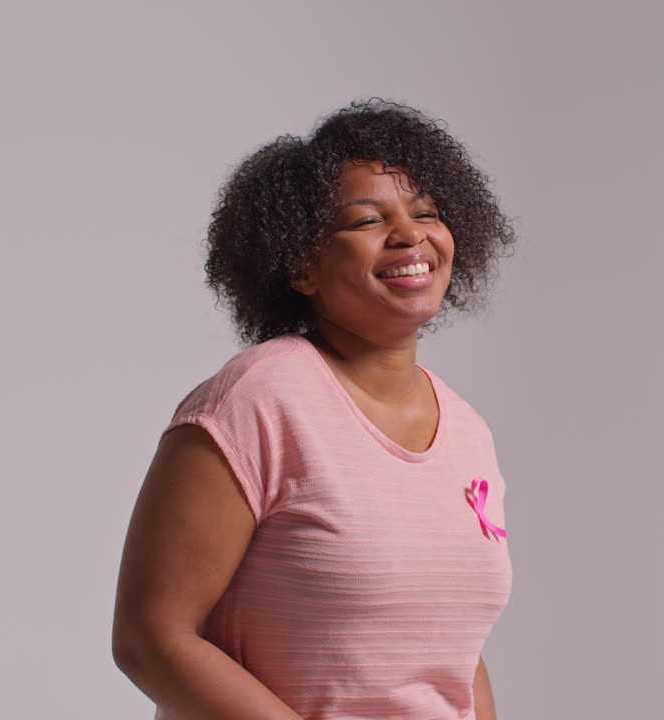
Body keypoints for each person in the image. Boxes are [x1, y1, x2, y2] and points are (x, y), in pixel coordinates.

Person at [111, 98, 518, 720]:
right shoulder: (258, 401)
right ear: (302, 265)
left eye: (426, 212)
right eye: (365, 221)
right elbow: (152, 639)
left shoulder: (467, 431)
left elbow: (456, 657)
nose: (410, 234)